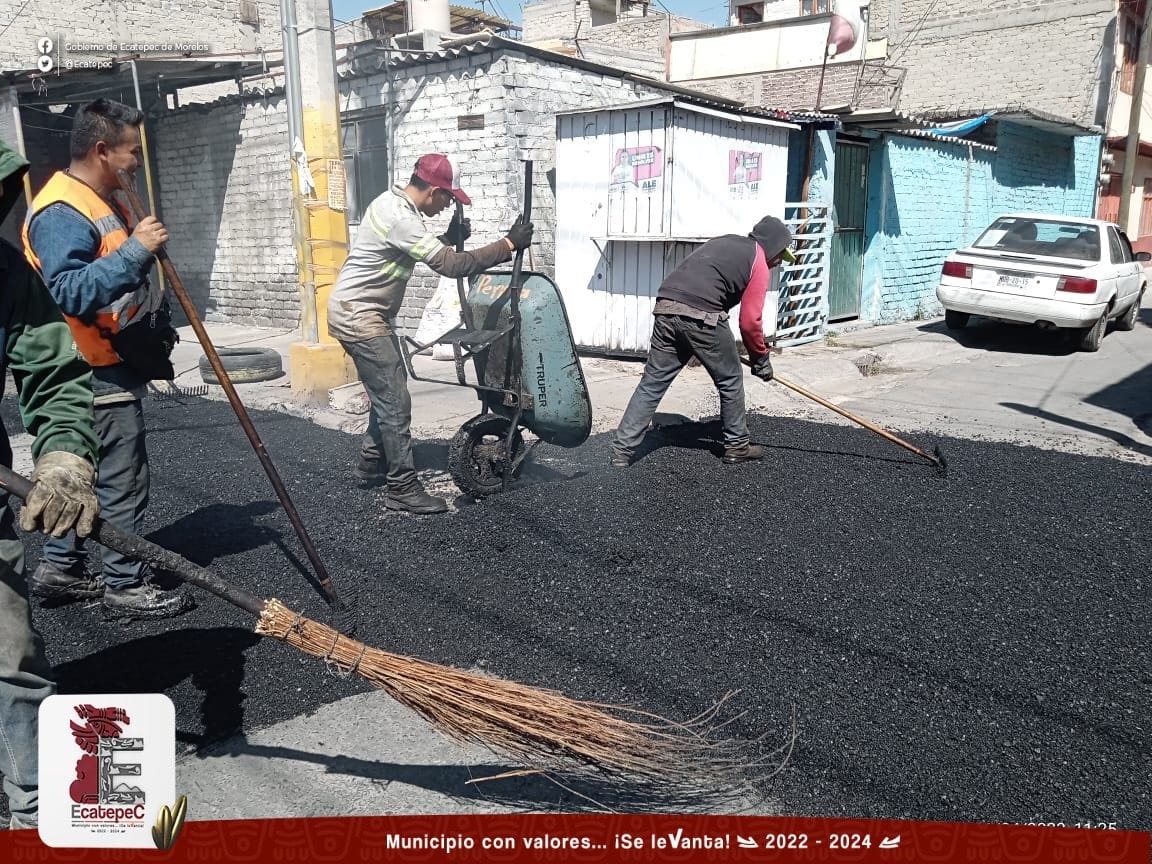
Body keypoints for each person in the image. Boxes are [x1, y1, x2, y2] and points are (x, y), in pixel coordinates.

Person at [22, 99, 191, 619]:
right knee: (121, 477)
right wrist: (137, 250)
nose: (137, 162)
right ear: (101, 150)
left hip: (107, 358)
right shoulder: (62, 212)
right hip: (87, 368)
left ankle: (61, 568)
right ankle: (125, 585)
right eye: (130, 152)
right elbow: (67, 291)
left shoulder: (97, 198)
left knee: (86, 473)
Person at [328, 153, 534, 514]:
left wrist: (446, 236)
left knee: (387, 391)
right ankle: (402, 489)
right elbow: (452, 265)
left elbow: (405, 249)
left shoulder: (392, 204)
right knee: (395, 401)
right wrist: (508, 245)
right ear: (434, 191)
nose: (446, 206)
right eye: (448, 199)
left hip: (359, 313)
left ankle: (371, 462)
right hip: (361, 317)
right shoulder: (400, 216)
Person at [0, 138, 102, 828]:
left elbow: (54, 376)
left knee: (10, 653)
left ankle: (31, 803)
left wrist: (63, 457)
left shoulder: (5, 274)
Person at [610, 215, 796, 467]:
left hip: (666, 308)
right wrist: (761, 358)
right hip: (702, 314)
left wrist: (692, 341)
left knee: (652, 383)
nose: (777, 263)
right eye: (779, 256)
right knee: (730, 379)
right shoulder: (758, 261)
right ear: (773, 246)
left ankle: (622, 451)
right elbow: (750, 322)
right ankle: (737, 446)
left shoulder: (725, 242)